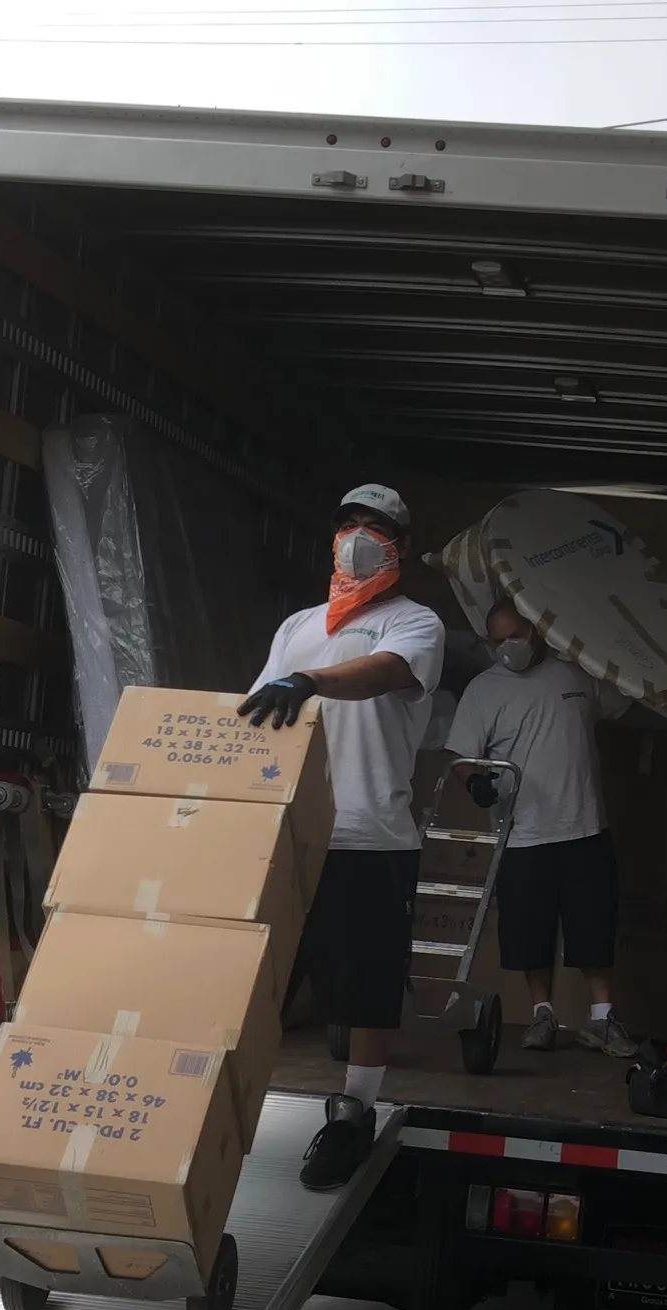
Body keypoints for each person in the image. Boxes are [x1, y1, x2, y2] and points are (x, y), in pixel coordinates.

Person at [241, 483, 445, 1191]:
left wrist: (309, 679)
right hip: (290, 831)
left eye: (376, 527)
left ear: (402, 545)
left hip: (370, 833)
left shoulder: (413, 623)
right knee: (259, 977)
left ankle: (354, 1108)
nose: (359, 536)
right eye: (349, 524)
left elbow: (384, 675)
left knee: (366, 984)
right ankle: (226, 1098)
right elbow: (259, 709)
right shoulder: (297, 625)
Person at [445, 600, 635, 1056]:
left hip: (585, 826)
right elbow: (461, 755)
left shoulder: (575, 674)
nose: (510, 647)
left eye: (517, 635)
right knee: (531, 932)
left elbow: (624, 695)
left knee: (593, 926)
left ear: (537, 630)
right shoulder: (484, 690)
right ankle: (542, 1015)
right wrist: (476, 785)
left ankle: (602, 1020)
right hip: (523, 833)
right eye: (499, 640)